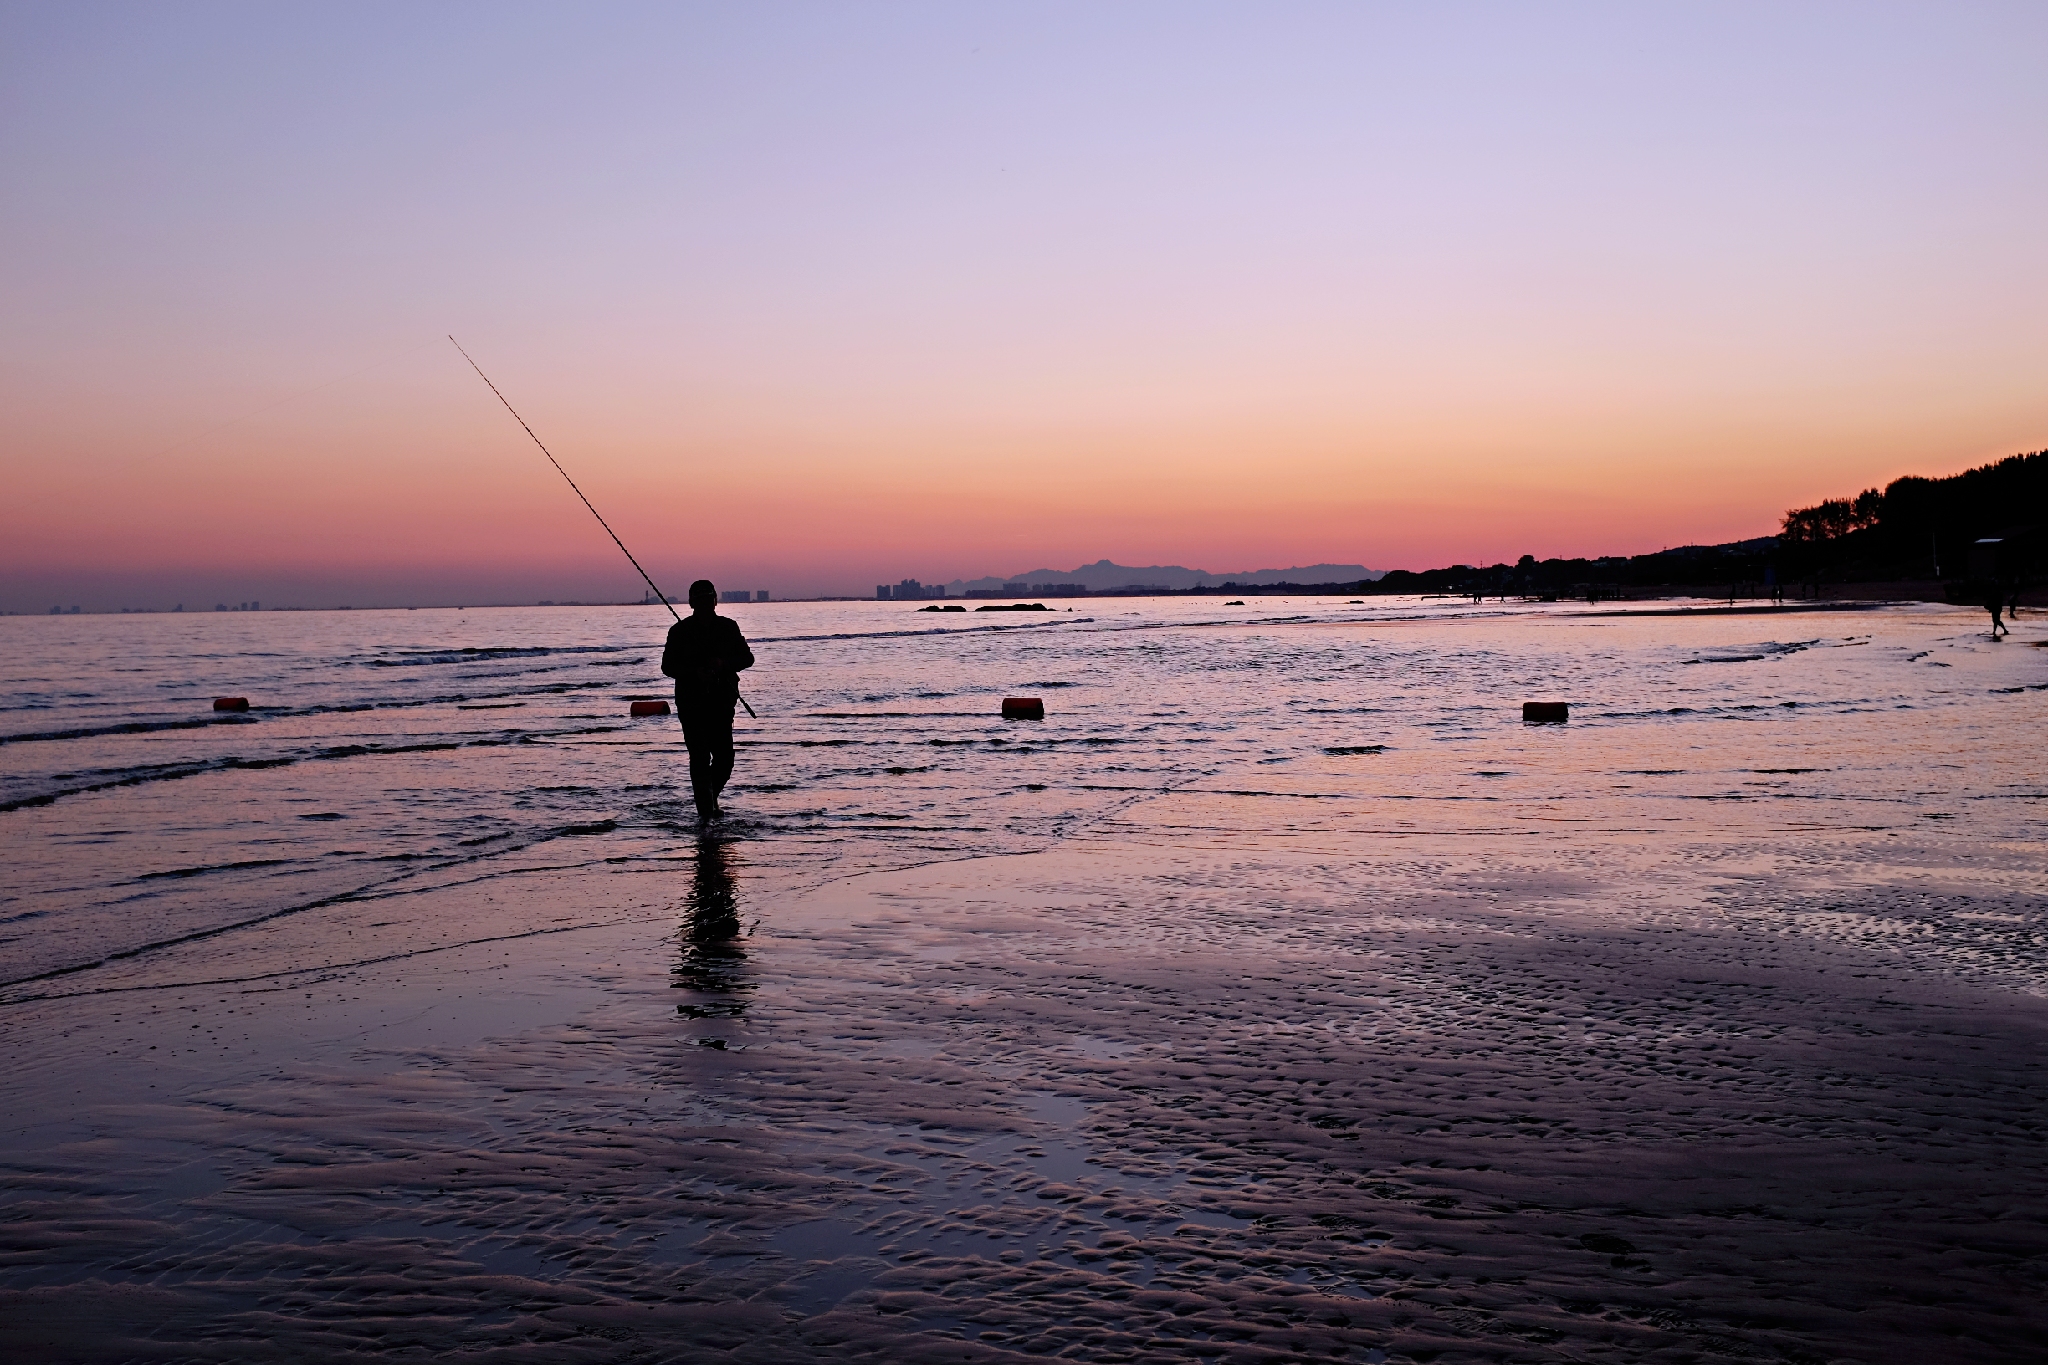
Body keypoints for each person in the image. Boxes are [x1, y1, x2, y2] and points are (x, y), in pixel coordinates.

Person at [661, 580, 755, 821]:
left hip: (722, 703)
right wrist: (695, 673)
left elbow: (747, 658)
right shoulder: (679, 631)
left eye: (708, 598)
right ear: (692, 602)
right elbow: (668, 666)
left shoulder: (728, 627)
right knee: (700, 758)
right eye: (699, 599)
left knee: (725, 759)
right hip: (691, 704)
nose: (704, 603)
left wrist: (723, 664)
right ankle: (705, 812)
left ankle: (709, 798)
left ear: (715, 600)